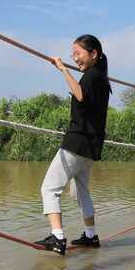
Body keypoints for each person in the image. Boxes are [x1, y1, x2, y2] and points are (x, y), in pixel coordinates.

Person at [34, 35, 111, 255]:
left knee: (49, 189)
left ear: (93, 54)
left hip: (76, 144)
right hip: (90, 148)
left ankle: (57, 238)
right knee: (81, 193)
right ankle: (91, 235)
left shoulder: (91, 76)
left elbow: (81, 96)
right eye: (72, 55)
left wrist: (62, 69)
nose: (75, 58)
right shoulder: (101, 78)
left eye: (78, 53)